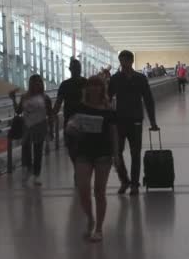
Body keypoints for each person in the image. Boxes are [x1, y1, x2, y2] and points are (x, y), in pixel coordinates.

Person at [66, 76, 118, 242]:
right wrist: (73, 130)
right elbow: (71, 126)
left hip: (103, 153)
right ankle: (90, 217)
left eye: (98, 86)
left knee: (99, 191)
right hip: (83, 152)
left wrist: (116, 155)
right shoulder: (79, 107)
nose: (94, 89)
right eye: (91, 85)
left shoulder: (108, 110)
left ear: (102, 89)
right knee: (83, 189)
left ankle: (99, 228)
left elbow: (113, 133)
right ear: (87, 89)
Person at [109, 50, 159, 195]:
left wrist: (153, 121)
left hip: (136, 120)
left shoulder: (140, 78)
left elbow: (148, 100)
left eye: (124, 61)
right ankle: (125, 180)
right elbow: (107, 97)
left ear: (131, 61)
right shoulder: (115, 78)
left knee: (135, 153)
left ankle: (135, 184)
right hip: (119, 120)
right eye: (120, 61)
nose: (122, 64)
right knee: (117, 153)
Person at [9, 74, 53, 186]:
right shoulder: (25, 97)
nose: (36, 84)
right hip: (27, 127)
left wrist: (50, 130)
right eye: (34, 82)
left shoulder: (45, 98)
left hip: (40, 127)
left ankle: (37, 175)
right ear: (30, 84)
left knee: (38, 151)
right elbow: (18, 111)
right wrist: (13, 99)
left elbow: (50, 114)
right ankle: (28, 169)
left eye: (38, 82)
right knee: (26, 150)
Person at [53, 59, 89, 165]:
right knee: (74, 150)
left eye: (77, 68)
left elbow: (58, 103)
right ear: (70, 69)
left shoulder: (84, 83)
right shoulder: (81, 83)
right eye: (75, 68)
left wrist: (53, 113)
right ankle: (79, 170)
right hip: (73, 122)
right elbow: (58, 103)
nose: (76, 70)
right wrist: (52, 114)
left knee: (78, 151)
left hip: (81, 122)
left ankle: (79, 171)